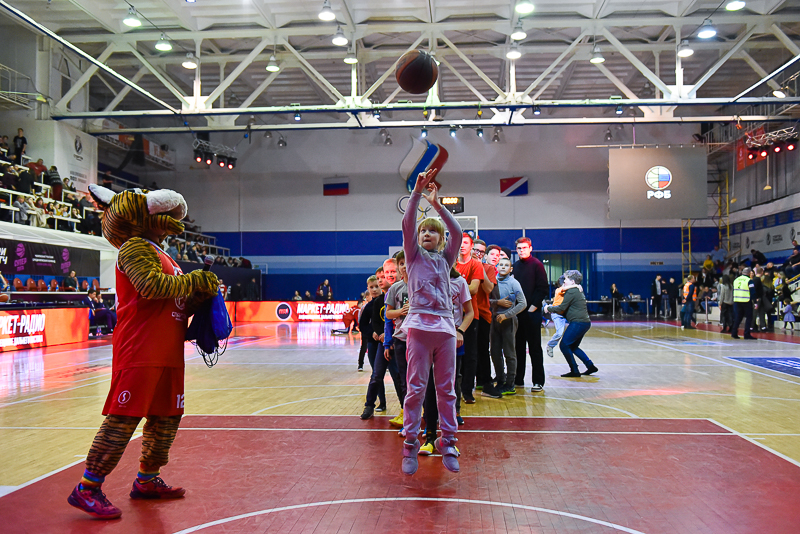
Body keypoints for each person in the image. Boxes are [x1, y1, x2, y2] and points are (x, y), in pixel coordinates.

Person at [400, 170, 462, 476]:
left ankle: (447, 441)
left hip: (446, 329)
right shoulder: (412, 257)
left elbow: (458, 233)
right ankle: (410, 442)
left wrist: (437, 205)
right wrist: (417, 193)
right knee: (416, 388)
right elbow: (407, 223)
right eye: (423, 230)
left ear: (440, 238)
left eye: (432, 231)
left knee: (446, 390)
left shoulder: (446, 259)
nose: (426, 234)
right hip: (419, 329)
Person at [420, 266, 473, 455]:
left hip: (450, 338)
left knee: (448, 388)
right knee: (429, 387)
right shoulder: (425, 279)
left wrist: (460, 331)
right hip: (428, 338)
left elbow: (469, 312)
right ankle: (430, 436)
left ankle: (448, 439)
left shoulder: (459, 282)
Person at [544, 270, 597, 377]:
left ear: (572, 282)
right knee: (572, 346)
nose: (564, 281)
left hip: (578, 323)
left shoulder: (572, 291)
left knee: (564, 345)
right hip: (584, 323)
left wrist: (548, 308)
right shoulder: (576, 289)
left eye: (566, 279)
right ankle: (590, 366)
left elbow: (561, 307)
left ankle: (574, 370)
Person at [513, 237, 548, 392]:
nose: (522, 251)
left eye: (524, 248)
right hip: (518, 314)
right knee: (518, 348)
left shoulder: (537, 265)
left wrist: (533, 307)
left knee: (534, 349)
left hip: (532, 315)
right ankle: (518, 379)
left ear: (530, 248)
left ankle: (538, 381)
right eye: (519, 248)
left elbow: (542, 288)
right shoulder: (515, 267)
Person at [488, 257, 526, 395]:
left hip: (508, 321)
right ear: (497, 267)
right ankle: (500, 380)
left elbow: (523, 303)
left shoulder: (514, 283)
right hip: (494, 320)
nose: (503, 267)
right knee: (495, 352)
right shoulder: (492, 281)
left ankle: (510, 384)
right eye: (501, 264)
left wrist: (507, 315)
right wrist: (497, 302)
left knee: (509, 353)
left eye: (506, 265)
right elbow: (487, 300)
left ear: (511, 269)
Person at [454, 233, 484, 405]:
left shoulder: (475, 264)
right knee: (453, 356)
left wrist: (455, 286)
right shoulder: (452, 263)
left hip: (470, 315)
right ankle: (454, 390)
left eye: (465, 242)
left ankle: (467, 391)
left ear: (471, 246)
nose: (462, 245)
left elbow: (473, 289)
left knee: (470, 355)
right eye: (459, 242)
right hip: (452, 316)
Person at [383, 251, 409, 427]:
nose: (404, 266)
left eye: (408, 262)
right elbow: (388, 314)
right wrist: (401, 311)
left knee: (423, 379)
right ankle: (408, 414)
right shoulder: (395, 288)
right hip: (401, 339)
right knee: (403, 378)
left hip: (420, 340)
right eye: (401, 263)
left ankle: (427, 411)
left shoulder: (422, 286)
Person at [471, 239, 497, 394]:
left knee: (482, 349)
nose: (478, 253)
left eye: (481, 251)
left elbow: (488, 289)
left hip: (482, 314)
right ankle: (467, 384)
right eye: (476, 250)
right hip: (465, 314)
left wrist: (479, 267)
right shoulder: (463, 265)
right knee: (468, 351)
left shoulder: (488, 268)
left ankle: (485, 382)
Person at [359, 275, 386, 415]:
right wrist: (373, 333)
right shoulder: (368, 307)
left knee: (397, 374)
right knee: (376, 374)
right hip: (373, 344)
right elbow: (362, 326)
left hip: (388, 342)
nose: (374, 289)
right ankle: (381, 402)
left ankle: (404, 406)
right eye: (371, 287)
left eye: (377, 286)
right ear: (368, 289)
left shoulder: (387, 302)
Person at [545, 275, 568, 359]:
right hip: (557, 314)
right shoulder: (559, 290)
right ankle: (550, 345)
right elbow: (564, 289)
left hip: (565, 313)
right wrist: (576, 286)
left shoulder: (568, 291)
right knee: (559, 333)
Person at [731, 267, 756, 340]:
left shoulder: (736, 280)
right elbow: (752, 291)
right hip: (746, 300)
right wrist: (755, 301)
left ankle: (734, 333)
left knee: (738, 318)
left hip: (737, 300)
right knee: (749, 317)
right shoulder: (749, 280)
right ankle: (746, 334)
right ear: (749, 273)